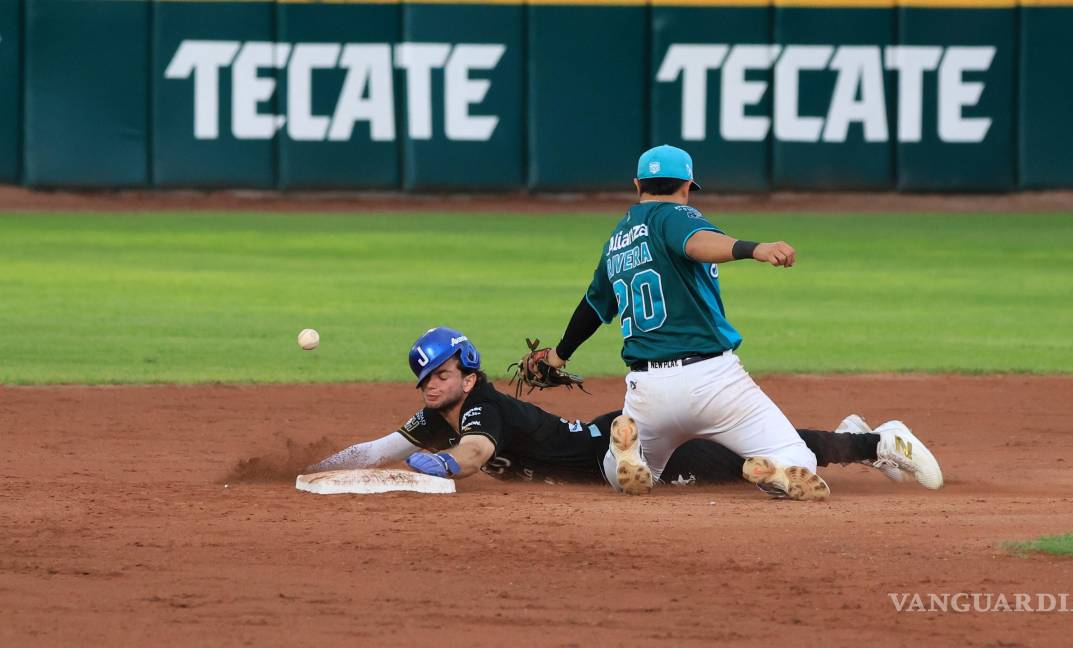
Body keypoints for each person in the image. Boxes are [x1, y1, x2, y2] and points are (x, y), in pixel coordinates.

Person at [536, 144, 908, 500]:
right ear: (686, 187)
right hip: (714, 381)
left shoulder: (616, 241)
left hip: (647, 390)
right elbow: (696, 243)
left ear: (636, 186)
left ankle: (629, 456)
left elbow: (592, 307)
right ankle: (776, 470)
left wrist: (558, 356)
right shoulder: (676, 216)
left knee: (623, 473)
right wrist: (754, 249)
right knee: (800, 459)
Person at [306, 327, 944, 493]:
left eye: (441, 375)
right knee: (743, 453)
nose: (429, 387)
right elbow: (383, 446)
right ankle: (853, 436)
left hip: (624, 450)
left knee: (739, 461)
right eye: (424, 379)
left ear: (468, 374)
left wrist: (437, 467)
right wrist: (321, 465)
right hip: (615, 445)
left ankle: (870, 442)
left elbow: (473, 455)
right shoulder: (435, 413)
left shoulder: (481, 409)